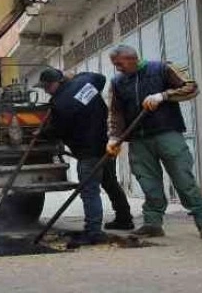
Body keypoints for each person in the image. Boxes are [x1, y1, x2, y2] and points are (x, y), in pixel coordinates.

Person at [106, 45, 202, 240]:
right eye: (115, 65)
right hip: (139, 140)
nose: (118, 69)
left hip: (167, 134)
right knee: (148, 183)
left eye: (119, 64)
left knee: (184, 181)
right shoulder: (117, 82)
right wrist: (114, 137)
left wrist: (164, 96)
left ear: (132, 58)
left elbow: (191, 87)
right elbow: (116, 112)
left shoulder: (162, 69)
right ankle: (152, 224)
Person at [35, 68, 133, 248]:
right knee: (110, 181)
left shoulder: (60, 104)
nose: (46, 90)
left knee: (89, 191)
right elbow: (101, 77)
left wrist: (40, 133)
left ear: (56, 83)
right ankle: (124, 218)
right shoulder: (86, 81)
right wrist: (76, 77)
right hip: (107, 144)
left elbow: (57, 132)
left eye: (47, 86)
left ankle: (93, 231)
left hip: (88, 151)